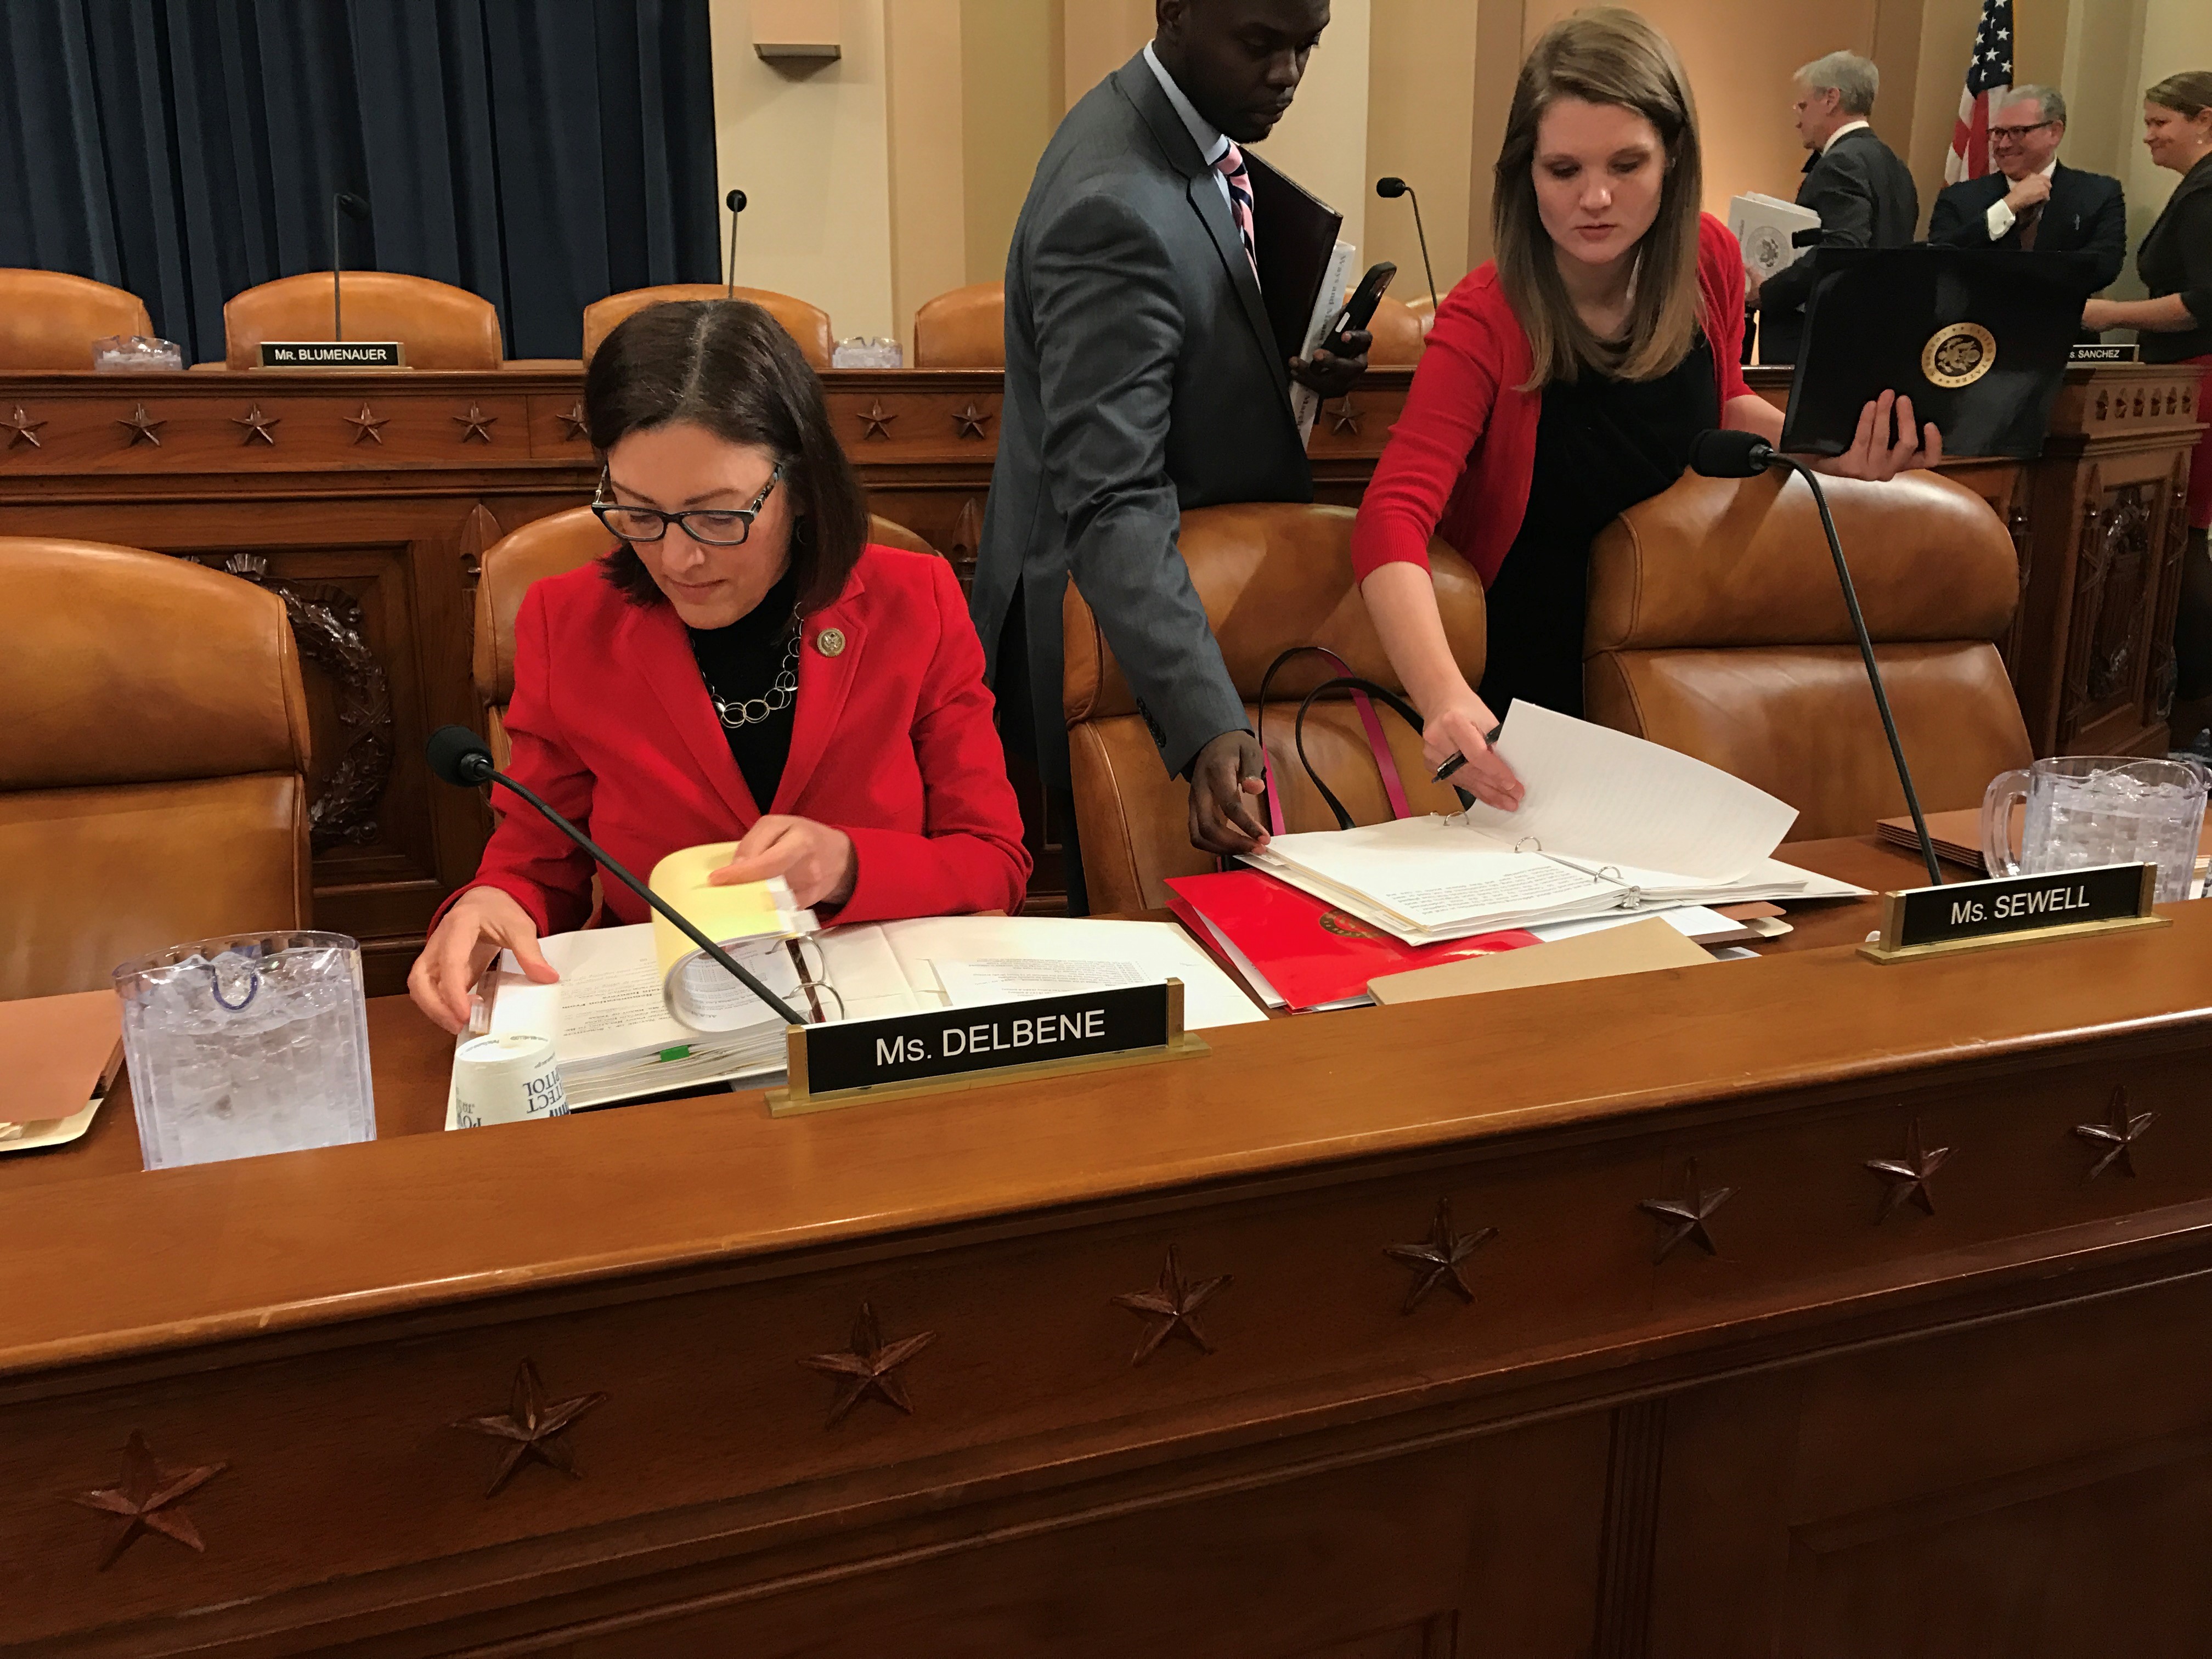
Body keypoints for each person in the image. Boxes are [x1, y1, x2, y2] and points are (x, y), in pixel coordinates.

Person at [1350, 8, 1939, 809]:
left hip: (1672, 655)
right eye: (1564, 170)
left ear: (1674, 160)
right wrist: (1443, 695)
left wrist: (1826, 447)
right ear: (1526, 172)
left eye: (1627, 164)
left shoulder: (1709, 258)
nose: (1595, 198)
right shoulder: (1488, 313)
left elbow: (1724, 401)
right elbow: (1392, 515)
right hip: (1529, 667)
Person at [409, 301, 1031, 1032]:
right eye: (638, 512)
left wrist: (849, 865)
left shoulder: (913, 603)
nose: (679, 558)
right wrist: (492, 903)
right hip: (666, 1034)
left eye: (717, 515)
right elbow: (538, 864)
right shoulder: (568, 622)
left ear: (797, 486)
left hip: (876, 1023)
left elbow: (995, 862)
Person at [971, 0, 1370, 912]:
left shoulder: (1189, 136)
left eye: (1306, 47)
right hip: (1123, 635)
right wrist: (1201, 724)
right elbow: (1110, 498)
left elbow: (1180, 341)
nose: (1287, 74)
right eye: (1261, 45)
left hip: (1179, 595)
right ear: (1176, 14)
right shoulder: (1110, 200)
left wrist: (1288, 365)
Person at [2083, 72, 2212, 750]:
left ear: (2205, 121)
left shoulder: (2208, 191)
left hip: (2198, 381)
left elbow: (2203, 303)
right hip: (2186, 379)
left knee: (2182, 539)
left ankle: (2190, 712)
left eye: (2162, 122)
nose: (2150, 135)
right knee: (2178, 539)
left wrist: (2109, 313)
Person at [1750, 50, 1919, 365]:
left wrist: (1770, 292)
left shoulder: (1840, 162)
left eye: (1803, 106)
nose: (1798, 120)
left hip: (1829, 346)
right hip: (1880, 341)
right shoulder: (1895, 166)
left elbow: (1843, 245)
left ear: (1831, 99)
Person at [1927, 85, 2126, 299]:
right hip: (1979, 329)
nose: (2003, 144)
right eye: (1998, 133)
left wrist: (2006, 277)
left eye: (2017, 132)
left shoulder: (2099, 194)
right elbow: (1940, 262)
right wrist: (2006, 208)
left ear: (2054, 132)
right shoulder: (1958, 198)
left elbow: (2103, 267)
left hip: (2063, 327)